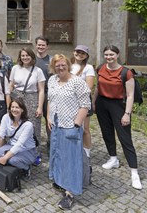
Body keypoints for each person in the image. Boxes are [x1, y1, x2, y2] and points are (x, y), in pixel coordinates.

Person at [94, 45, 142, 190]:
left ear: (117, 54)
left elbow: (130, 95)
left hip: (118, 106)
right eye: (106, 54)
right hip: (102, 103)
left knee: (125, 138)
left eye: (111, 55)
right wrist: (93, 102)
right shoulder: (101, 68)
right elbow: (97, 87)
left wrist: (127, 113)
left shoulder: (126, 73)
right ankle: (113, 158)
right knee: (107, 133)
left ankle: (134, 172)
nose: (109, 57)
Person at [47, 54, 90, 210]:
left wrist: (77, 124)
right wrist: (48, 117)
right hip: (56, 123)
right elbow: (50, 100)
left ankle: (70, 193)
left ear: (68, 65)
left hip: (71, 125)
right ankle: (60, 180)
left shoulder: (77, 82)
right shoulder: (52, 80)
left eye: (63, 64)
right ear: (53, 67)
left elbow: (85, 105)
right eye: (57, 65)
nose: (60, 67)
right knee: (57, 154)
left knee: (71, 159)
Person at [9, 47, 45, 164]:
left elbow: (41, 90)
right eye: (23, 55)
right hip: (17, 98)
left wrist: (39, 107)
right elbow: (11, 85)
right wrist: (9, 102)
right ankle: (18, 150)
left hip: (32, 99)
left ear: (32, 57)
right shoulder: (15, 68)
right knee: (17, 125)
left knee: (34, 126)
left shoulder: (37, 71)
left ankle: (36, 153)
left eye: (27, 55)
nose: (25, 58)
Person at [0, 98, 36, 174]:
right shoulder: (6, 117)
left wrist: (5, 157)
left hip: (27, 149)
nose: (14, 110)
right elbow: (0, 135)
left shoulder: (28, 125)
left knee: (12, 160)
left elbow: (19, 145)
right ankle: (13, 166)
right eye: (12, 107)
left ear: (22, 110)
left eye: (17, 107)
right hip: (11, 146)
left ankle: (26, 168)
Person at [70, 45, 95, 161]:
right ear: (74, 52)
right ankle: (74, 150)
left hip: (83, 102)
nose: (79, 54)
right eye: (77, 52)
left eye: (82, 53)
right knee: (71, 127)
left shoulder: (88, 67)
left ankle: (87, 152)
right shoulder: (69, 65)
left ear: (86, 56)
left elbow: (89, 86)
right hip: (69, 101)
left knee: (85, 129)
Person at [35, 37, 52, 145]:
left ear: (47, 46)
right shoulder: (31, 59)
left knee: (49, 119)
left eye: (43, 45)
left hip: (48, 94)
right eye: (39, 45)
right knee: (33, 119)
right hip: (34, 93)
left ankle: (50, 142)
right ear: (36, 45)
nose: (40, 47)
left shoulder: (51, 60)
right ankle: (34, 142)